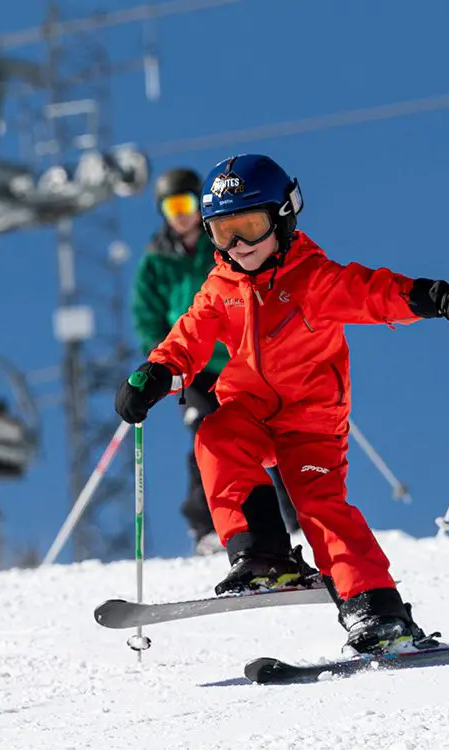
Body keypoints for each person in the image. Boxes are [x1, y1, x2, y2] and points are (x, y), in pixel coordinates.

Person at [116, 154, 449, 654]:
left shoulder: (312, 280)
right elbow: (187, 342)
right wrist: (157, 375)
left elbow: (376, 293)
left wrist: (438, 298)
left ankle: (377, 611)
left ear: (284, 217)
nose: (239, 246)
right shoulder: (219, 289)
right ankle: (263, 554)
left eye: (250, 227)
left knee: (320, 506)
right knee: (215, 436)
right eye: (223, 233)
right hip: (249, 410)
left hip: (309, 423)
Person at [131, 166, 298, 555]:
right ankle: (208, 527)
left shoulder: (224, 244)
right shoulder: (156, 261)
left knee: (272, 435)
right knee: (209, 437)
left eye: (186, 203)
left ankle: (294, 518)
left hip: (244, 359)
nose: (180, 214)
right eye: (171, 206)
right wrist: (162, 358)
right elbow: (146, 314)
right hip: (197, 368)